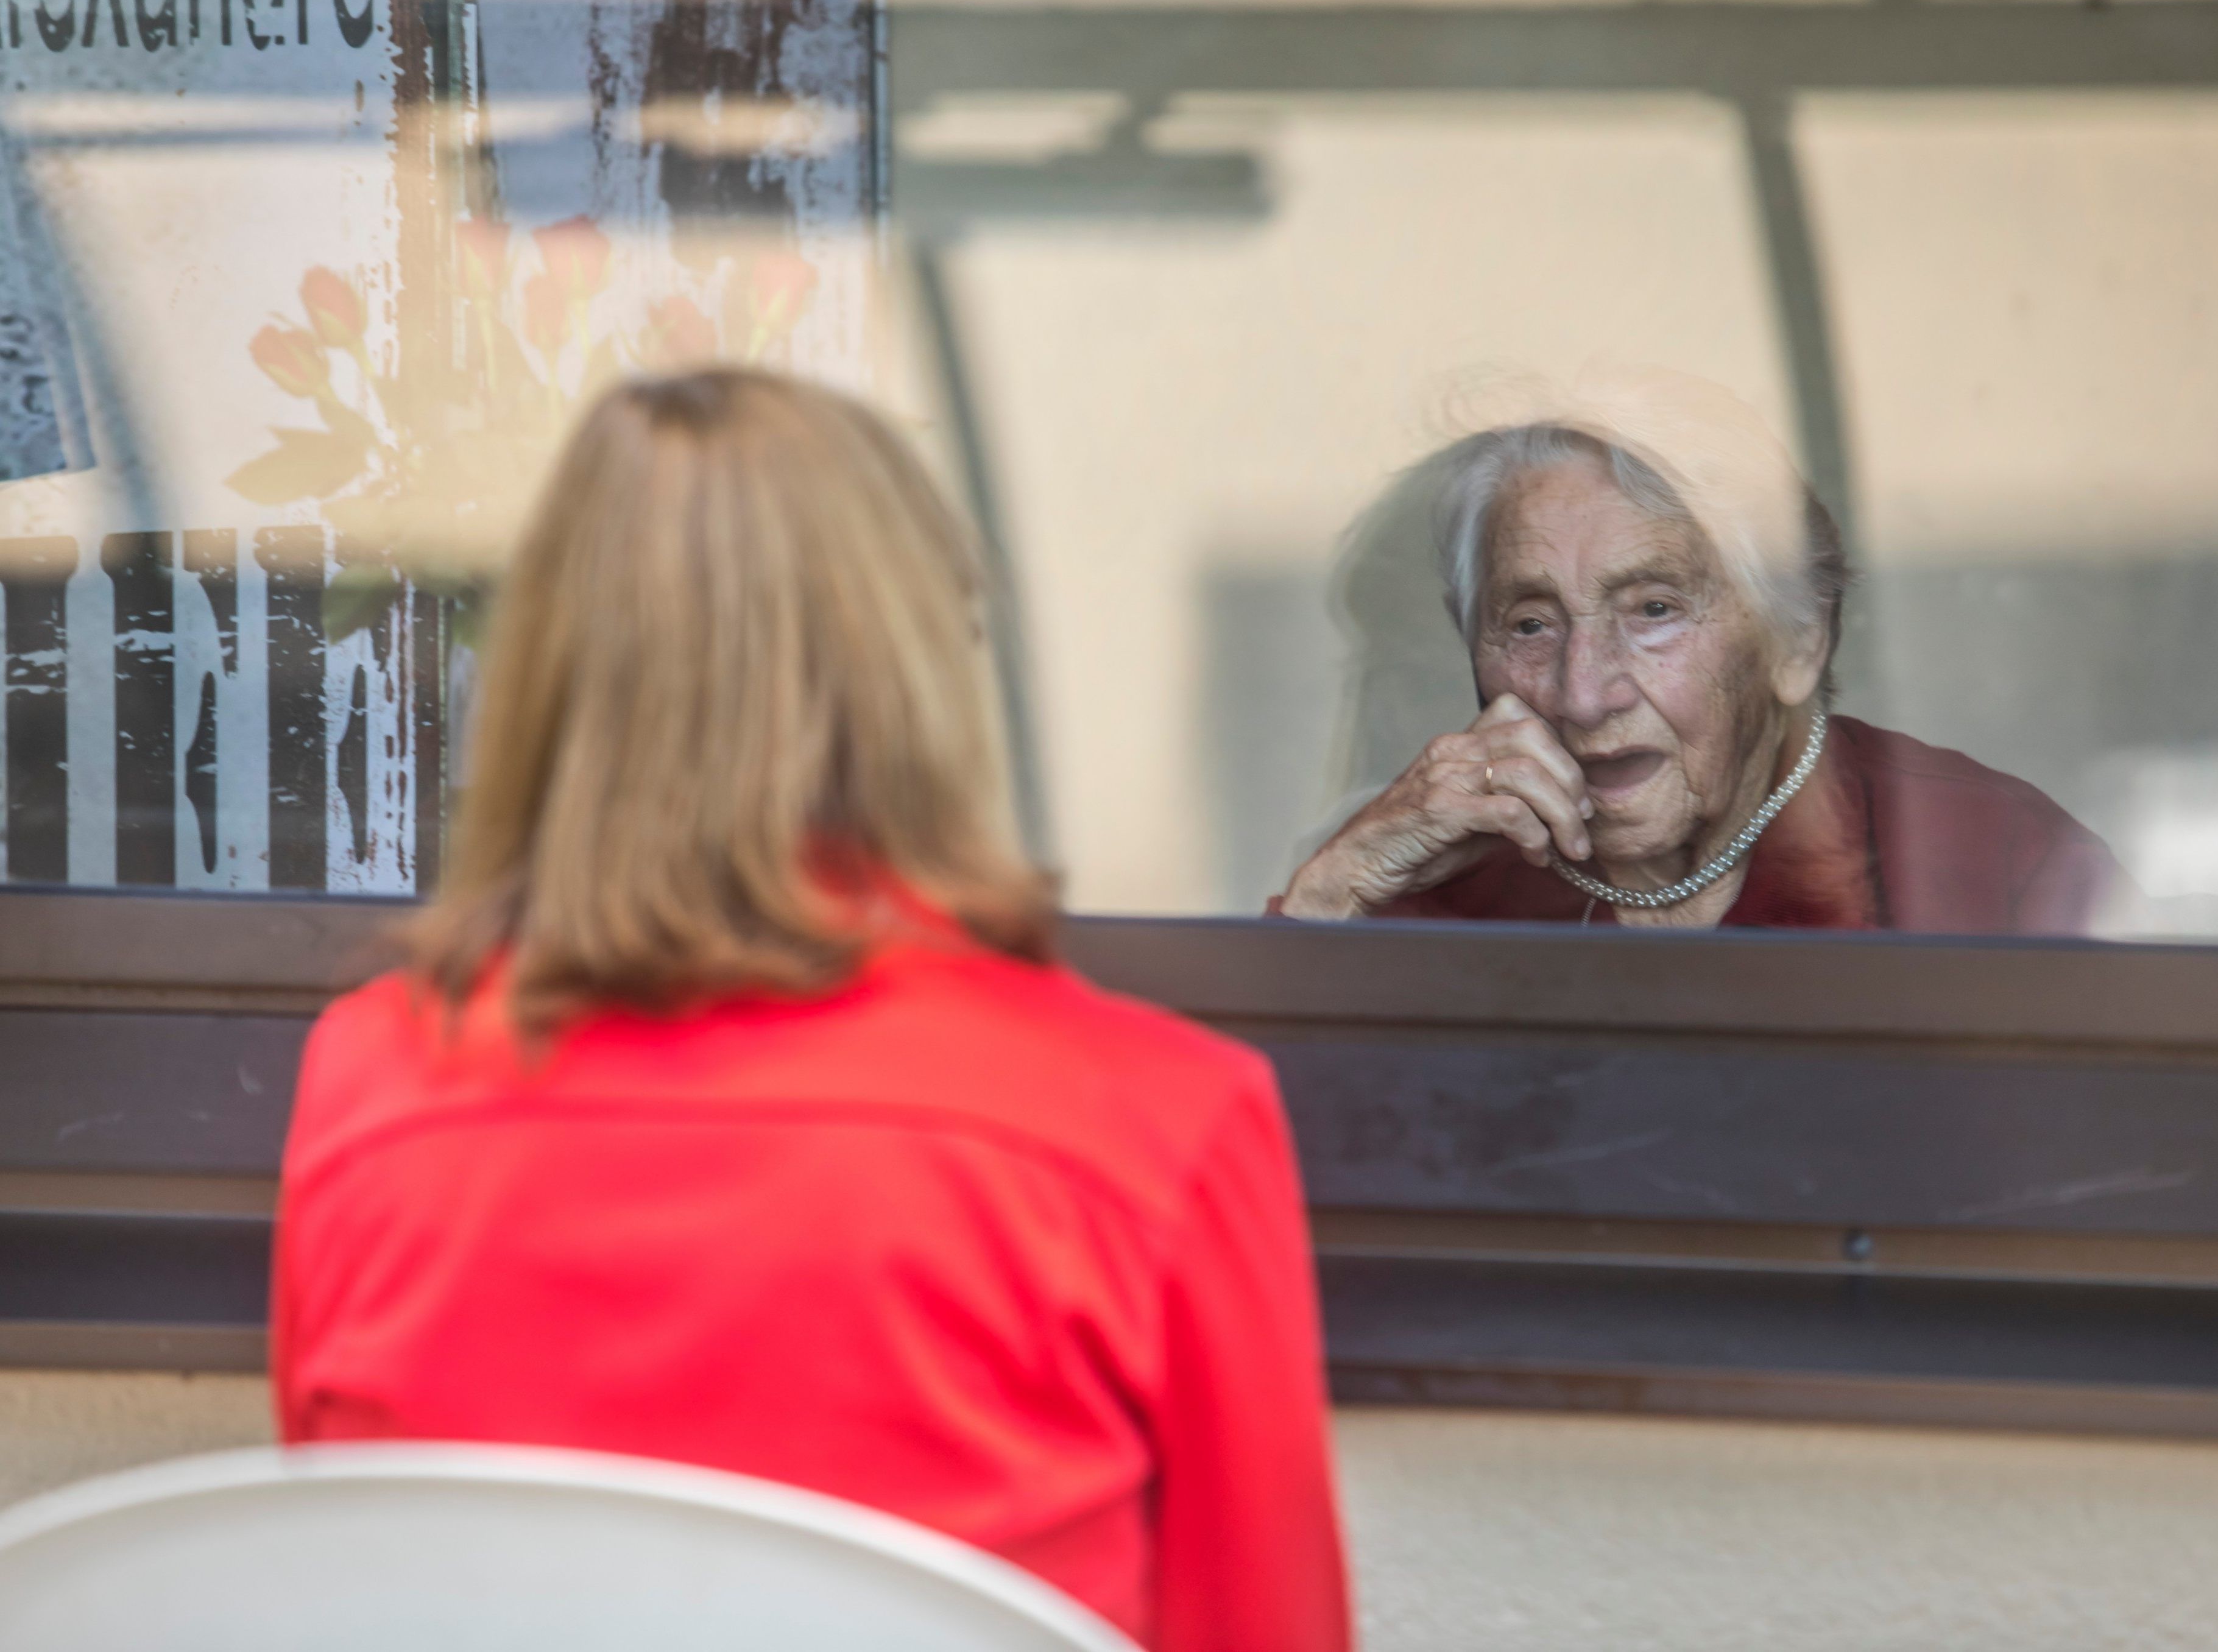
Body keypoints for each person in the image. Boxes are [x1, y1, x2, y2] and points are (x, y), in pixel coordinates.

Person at [272, 369, 1349, 1652]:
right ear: (927, 674)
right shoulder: (1156, 1124)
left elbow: (349, 1590)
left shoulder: (372, 1082)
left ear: (554, 676)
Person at [1279, 370, 2133, 933]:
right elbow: (1241, 1162)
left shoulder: (1997, 862)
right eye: (1531, 625)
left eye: (1652, 610)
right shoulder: (1427, 880)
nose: (1584, 694)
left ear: (1796, 640)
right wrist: (1333, 889)